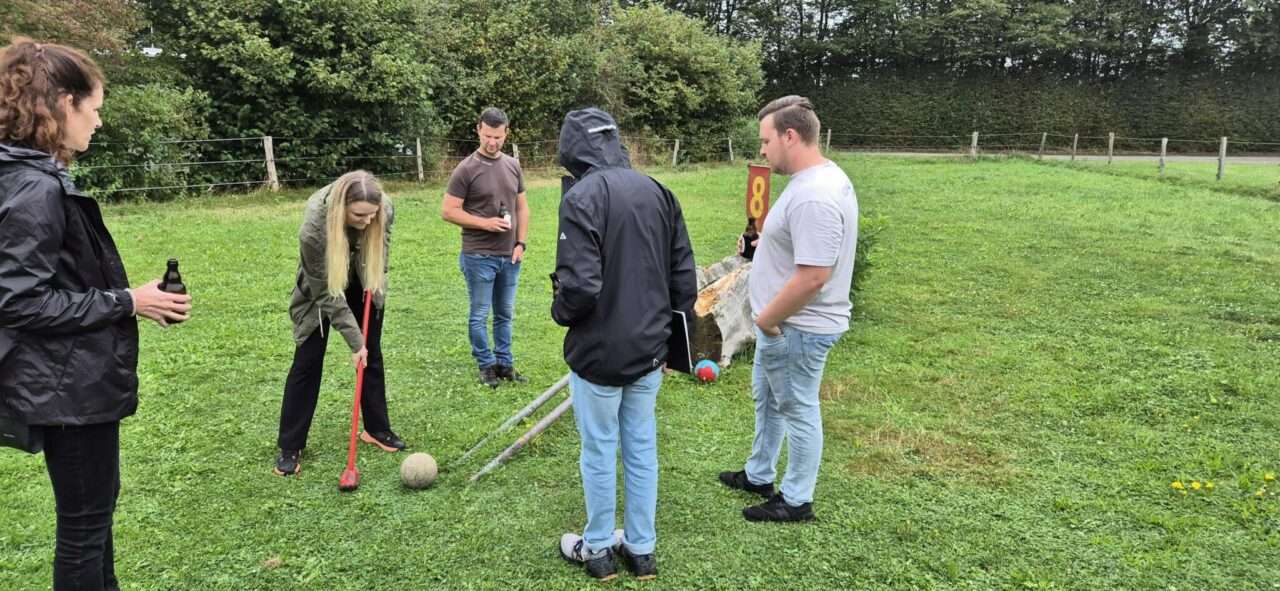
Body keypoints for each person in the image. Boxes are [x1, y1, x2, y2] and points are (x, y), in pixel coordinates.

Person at [0, 37, 192, 590]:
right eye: (95, 108)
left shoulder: (25, 175)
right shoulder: (33, 187)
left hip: (65, 378)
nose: (99, 122)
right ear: (64, 103)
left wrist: (132, 298)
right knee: (85, 526)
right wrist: (129, 300)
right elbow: (19, 300)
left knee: (93, 518)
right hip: (67, 385)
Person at [552, 108, 697, 581]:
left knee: (599, 449)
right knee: (640, 447)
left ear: (573, 149)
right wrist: (674, 346)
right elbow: (684, 278)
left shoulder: (582, 196)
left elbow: (579, 286)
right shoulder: (658, 190)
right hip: (650, 348)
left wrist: (560, 312)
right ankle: (641, 548)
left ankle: (597, 548)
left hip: (599, 350)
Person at [719, 95, 858, 522]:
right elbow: (802, 248)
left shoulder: (816, 195)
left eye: (766, 141)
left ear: (790, 136)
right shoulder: (811, 180)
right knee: (768, 400)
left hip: (797, 326)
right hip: (783, 325)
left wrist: (768, 320)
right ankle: (759, 473)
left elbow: (814, 276)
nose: (762, 151)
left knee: (797, 408)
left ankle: (797, 500)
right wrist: (762, 247)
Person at [274, 170, 405, 476]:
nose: (367, 221)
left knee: (372, 354)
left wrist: (376, 277)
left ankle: (376, 429)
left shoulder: (383, 209)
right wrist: (355, 342)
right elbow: (325, 292)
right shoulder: (314, 228)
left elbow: (382, 249)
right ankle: (290, 445)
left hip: (363, 275)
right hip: (322, 285)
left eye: (372, 215)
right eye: (359, 215)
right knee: (307, 360)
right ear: (341, 208)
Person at [441, 107, 529, 388]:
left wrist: (520, 243)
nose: (492, 142)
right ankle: (486, 365)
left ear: (506, 133)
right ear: (478, 130)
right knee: (480, 314)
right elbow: (448, 211)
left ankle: (505, 363)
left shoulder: (513, 165)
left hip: (510, 255)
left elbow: (522, 207)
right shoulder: (466, 169)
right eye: (488, 136)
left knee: (505, 314)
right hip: (478, 255)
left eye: (498, 137)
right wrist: (485, 224)